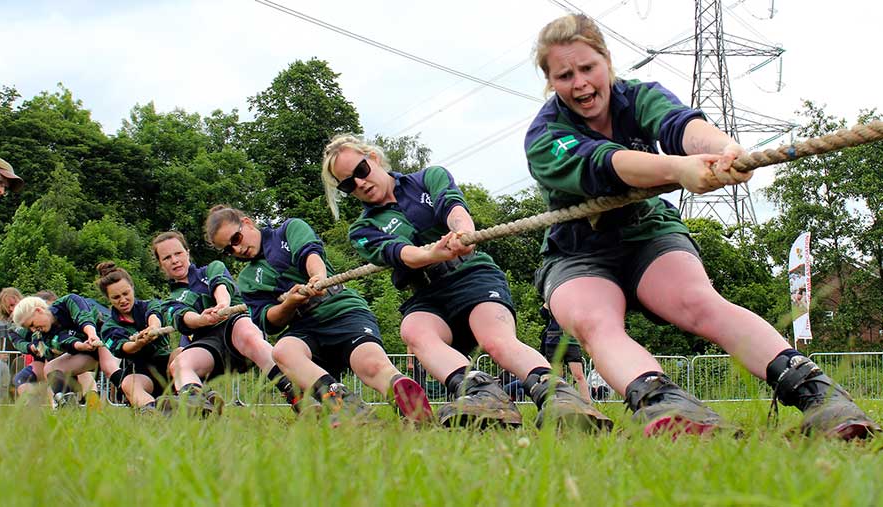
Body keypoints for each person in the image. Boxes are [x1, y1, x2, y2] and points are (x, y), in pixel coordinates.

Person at [524, 13, 879, 438]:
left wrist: (725, 150)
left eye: (587, 68)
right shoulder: (544, 136)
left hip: (647, 233)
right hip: (577, 252)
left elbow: (680, 126)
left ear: (607, 61)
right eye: (564, 75)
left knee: (699, 301)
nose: (580, 83)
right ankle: (667, 407)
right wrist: (677, 167)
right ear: (550, 83)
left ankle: (821, 396)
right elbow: (606, 164)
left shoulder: (638, 97)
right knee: (594, 322)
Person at [321, 134, 611, 430]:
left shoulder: (428, 177)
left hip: (472, 274)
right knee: (413, 330)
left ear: (373, 158)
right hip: (426, 293)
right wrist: (429, 253)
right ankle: (481, 393)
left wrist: (464, 232)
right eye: (347, 184)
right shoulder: (362, 229)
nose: (359, 183)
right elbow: (397, 252)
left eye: (360, 171)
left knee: (496, 340)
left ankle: (559, 397)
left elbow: (453, 207)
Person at [203, 206, 433, 423]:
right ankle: (346, 406)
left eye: (236, 239)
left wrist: (317, 277)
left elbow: (311, 254)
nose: (236, 249)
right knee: (282, 350)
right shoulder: (246, 278)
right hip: (304, 328)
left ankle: (404, 396)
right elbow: (268, 321)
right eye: (228, 249)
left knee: (371, 365)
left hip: (342, 309)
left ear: (247, 223)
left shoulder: (289, 229)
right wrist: (289, 303)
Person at [151, 231, 290, 416]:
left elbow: (221, 285)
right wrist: (201, 319)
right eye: (167, 257)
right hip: (207, 343)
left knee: (249, 335)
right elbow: (183, 317)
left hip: (235, 325)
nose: (175, 260)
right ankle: (198, 406)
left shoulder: (212, 268)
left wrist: (222, 304)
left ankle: (296, 393)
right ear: (161, 264)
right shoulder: (169, 301)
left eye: (178, 253)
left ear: (187, 252)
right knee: (179, 363)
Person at [11, 292, 121, 408]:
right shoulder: (43, 336)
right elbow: (66, 342)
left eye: (32, 324)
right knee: (50, 368)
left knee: (108, 367)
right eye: (29, 328)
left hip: (107, 337)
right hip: (86, 349)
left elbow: (83, 316)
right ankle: (68, 406)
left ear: (39, 310)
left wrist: (91, 334)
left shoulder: (68, 301)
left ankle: (135, 398)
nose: (33, 330)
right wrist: (81, 345)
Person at [96, 262, 172, 413]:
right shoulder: (109, 326)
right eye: (116, 297)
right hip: (140, 371)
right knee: (128, 383)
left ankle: (193, 397)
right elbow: (123, 348)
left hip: (167, 364)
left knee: (182, 353)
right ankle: (154, 412)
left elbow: (155, 315)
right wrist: (139, 343)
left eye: (126, 293)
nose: (123, 300)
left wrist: (153, 328)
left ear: (132, 288)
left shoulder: (149, 305)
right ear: (108, 299)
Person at [538, 305, 592, 403]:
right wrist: (548, 302)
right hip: (553, 342)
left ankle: (587, 404)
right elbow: (543, 314)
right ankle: (560, 403)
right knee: (557, 376)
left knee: (578, 375)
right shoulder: (551, 298)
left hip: (571, 342)